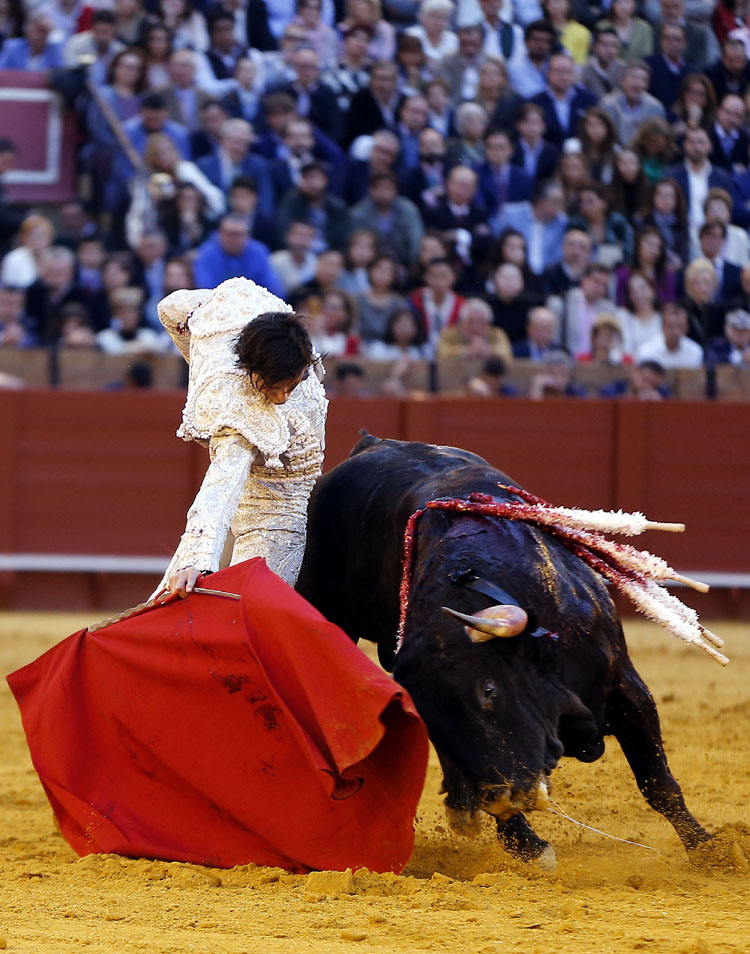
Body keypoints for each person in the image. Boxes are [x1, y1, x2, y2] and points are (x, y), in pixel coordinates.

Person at [8, 276, 428, 877]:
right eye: (274, 387)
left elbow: (173, 306)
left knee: (246, 641)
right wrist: (192, 563)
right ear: (253, 374)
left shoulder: (243, 327)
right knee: (244, 641)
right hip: (265, 508)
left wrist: (194, 363)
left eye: (291, 382)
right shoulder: (240, 401)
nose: (283, 396)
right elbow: (220, 489)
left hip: (282, 505)